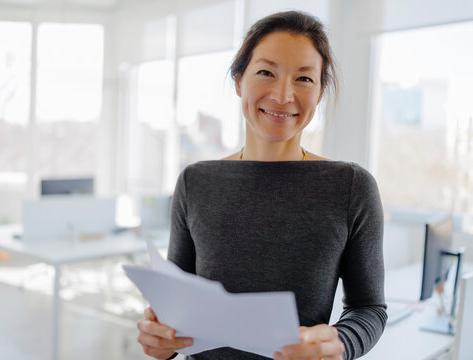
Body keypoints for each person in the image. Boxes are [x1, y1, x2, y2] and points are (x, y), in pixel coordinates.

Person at [136, 10, 387, 360]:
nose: (283, 95)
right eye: (266, 72)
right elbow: (174, 308)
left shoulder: (351, 187)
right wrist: (160, 337)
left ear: (320, 91)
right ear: (239, 80)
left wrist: (340, 343)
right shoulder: (196, 182)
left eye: (303, 79)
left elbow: (369, 308)